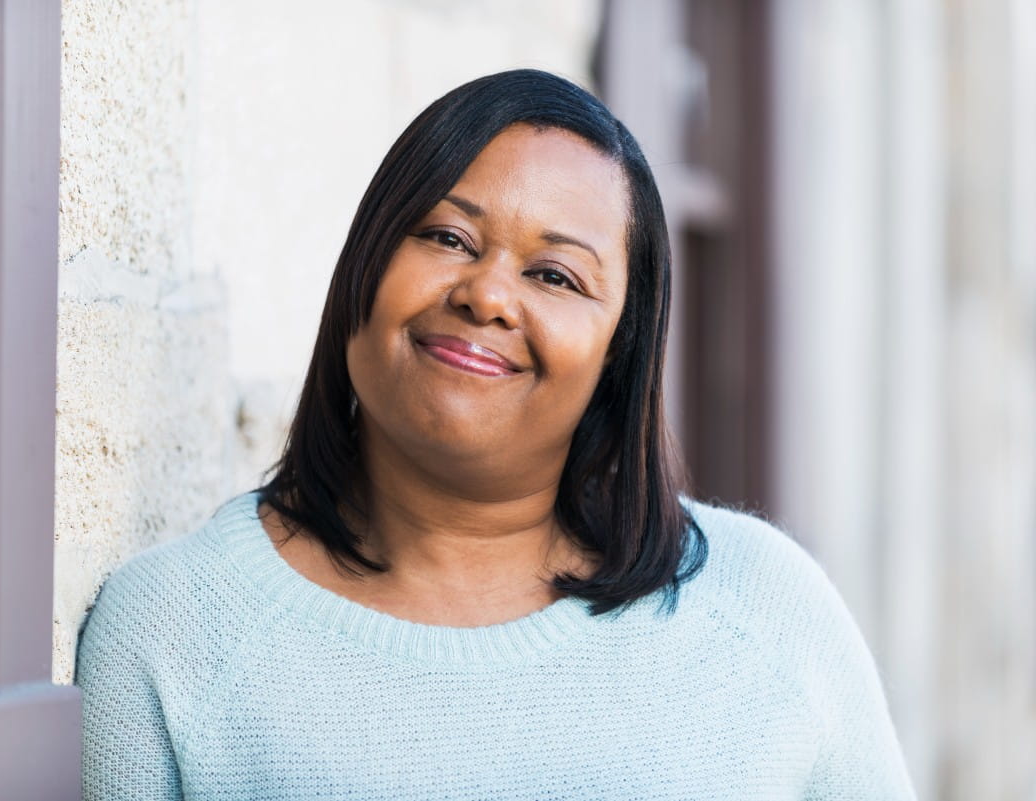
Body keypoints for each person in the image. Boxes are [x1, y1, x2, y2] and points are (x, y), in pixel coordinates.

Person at [76, 69, 916, 800]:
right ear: (362, 268)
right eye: (447, 236)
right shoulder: (172, 630)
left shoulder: (764, 611)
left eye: (555, 275)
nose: (487, 295)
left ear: (617, 356)